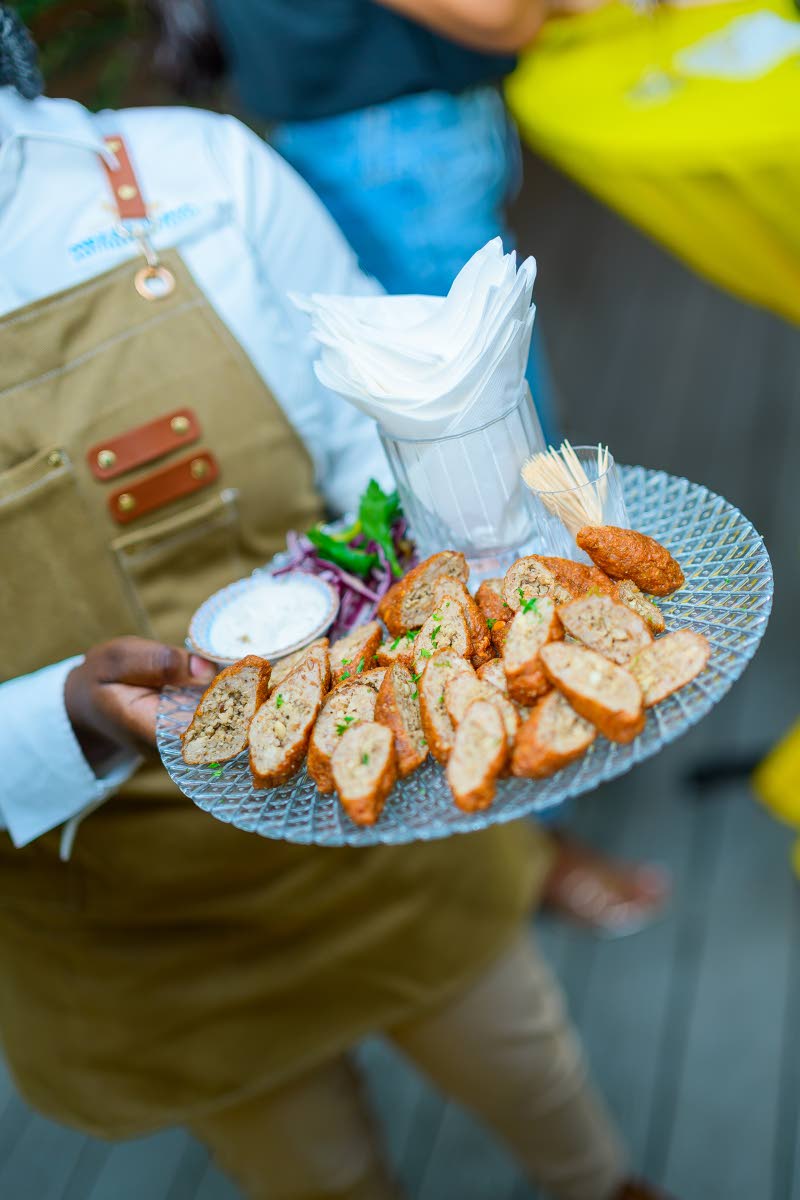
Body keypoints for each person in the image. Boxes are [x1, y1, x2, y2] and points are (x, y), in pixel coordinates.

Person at [0, 12, 671, 1200]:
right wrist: (65, 714)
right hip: (119, 908)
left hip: (381, 789)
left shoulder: (188, 172)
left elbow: (364, 432)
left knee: (532, 1071)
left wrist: (452, 556)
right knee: (310, 1171)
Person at [148, 0, 671, 943]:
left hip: (372, 121)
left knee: (488, 491)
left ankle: (534, 768)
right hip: (388, 134)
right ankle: (530, 819)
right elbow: (497, 13)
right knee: (497, 500)